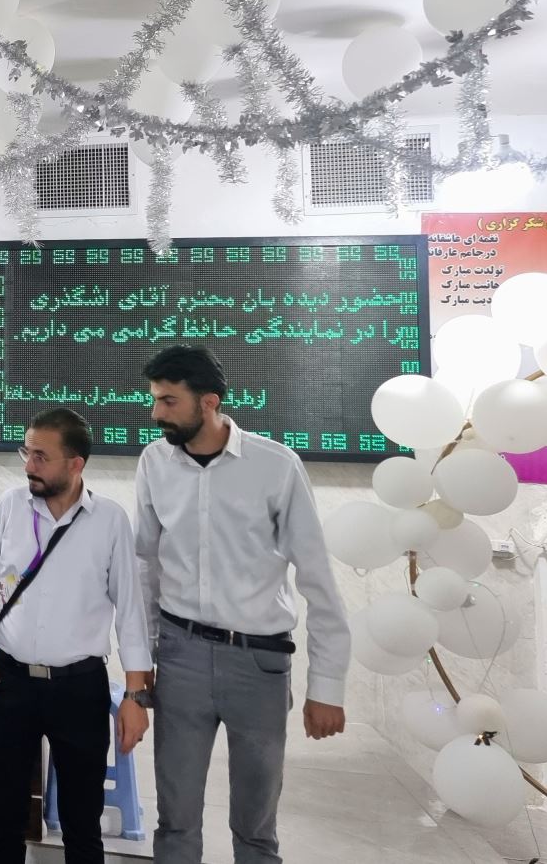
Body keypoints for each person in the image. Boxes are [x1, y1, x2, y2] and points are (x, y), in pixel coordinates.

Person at [135, 345, 350, 864]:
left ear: (208, 402)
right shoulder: (154, 463)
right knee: (175, 820)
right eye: (155, 399)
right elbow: (145, 568)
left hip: (259, 663)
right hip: (181, 656)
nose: (156, 412)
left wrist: (327, 687)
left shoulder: (276, 466)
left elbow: (317, 579)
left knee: (256, 827)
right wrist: (141, 666)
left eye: (168, 401)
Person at [0, 408, 152, 864]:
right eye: (27, 453)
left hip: (79, 689)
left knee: (82, 825)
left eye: (41, 457)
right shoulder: (10, 506)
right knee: (4, 817)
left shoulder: (109, 521)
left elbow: (131, 612)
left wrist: (136, 696)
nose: (28, 465)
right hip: (9, 682)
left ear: (75, 464)